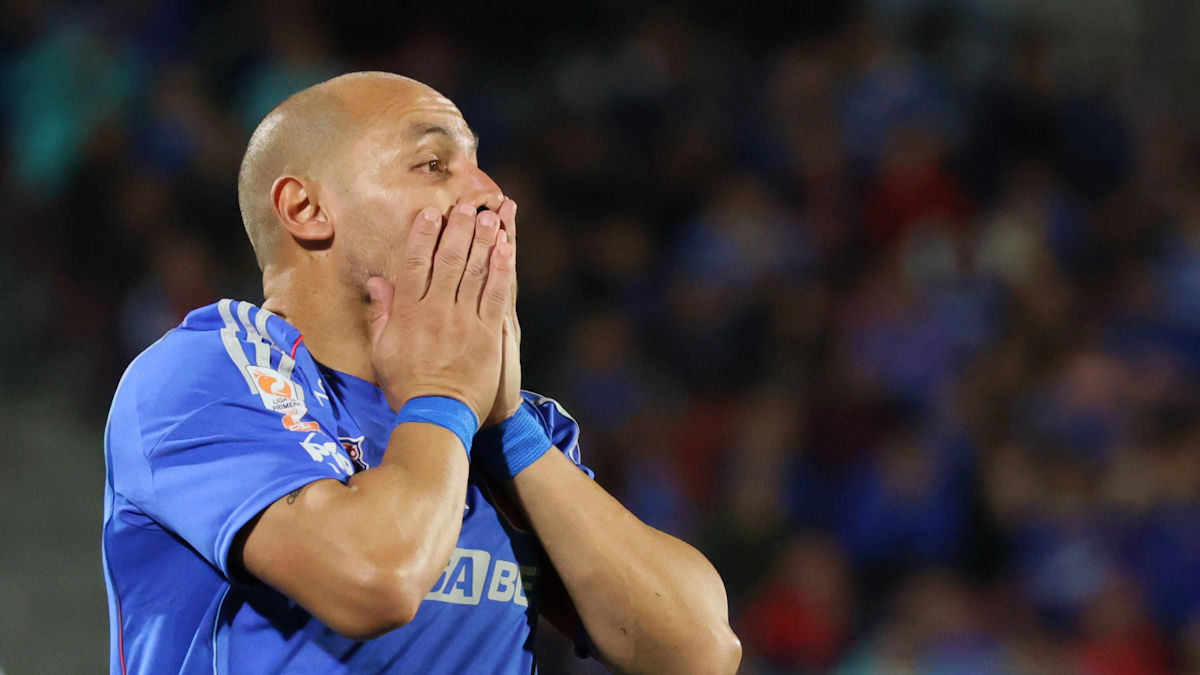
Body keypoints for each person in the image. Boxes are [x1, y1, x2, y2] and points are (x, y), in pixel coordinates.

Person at [102, 71, 741, 674]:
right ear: (305, 209)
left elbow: (698, 653)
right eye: (434, 165)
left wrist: (507, 426)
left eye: (478, 164)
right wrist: (441, 394)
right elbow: (374, 580)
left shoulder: (504, 426)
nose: (490, 193)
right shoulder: (203, 375)